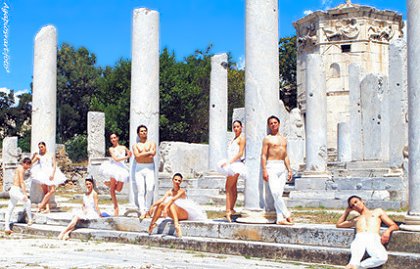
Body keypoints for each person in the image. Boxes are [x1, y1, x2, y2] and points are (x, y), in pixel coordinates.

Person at [336, 195, 399, 269]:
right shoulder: (356, 219)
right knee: (354, 260)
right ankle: (353, 265)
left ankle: (358, 267)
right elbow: (339, 224)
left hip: (373, 238)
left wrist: (387, 232)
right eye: (352, 206)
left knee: (381, 258)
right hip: (359, 238)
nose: (355, 205)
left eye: (356, 202)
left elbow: (394, 225)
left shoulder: (377, 212)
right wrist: (347, 211)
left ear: (362, 201)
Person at [148, 173, 207, 238]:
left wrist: (165, 209)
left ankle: (177, 225)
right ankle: (152, 225)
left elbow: (173, 200)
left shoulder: (182, 191)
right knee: (161, 205)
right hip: (174, 212)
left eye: (179, 181)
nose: (177, 182)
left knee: (171, 204)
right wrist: (152, 206)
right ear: (172, 180)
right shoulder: (169, 192)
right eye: (175, 180)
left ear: (181, 182)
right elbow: (162, 199)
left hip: (185, 213)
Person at [261, 115, 294, 225]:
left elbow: (285, 156)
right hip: (271, 166)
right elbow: (263, 155)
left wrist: (289, 170)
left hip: (281, 167)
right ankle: (287, 214)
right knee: (275, 192)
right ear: (269, 125)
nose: (273, 124)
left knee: (278, 194)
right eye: (271, 123)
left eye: (275, 122)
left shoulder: (284, 139)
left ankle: (280, 219)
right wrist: (264, 169)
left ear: (279, 124)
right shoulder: (267, 139)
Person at [217, 120, 246, 222]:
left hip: (235, 164)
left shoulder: (242, 138)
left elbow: (240, 153)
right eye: (234, 127)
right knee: (232, 187)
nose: (236, 128)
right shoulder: (233, 139)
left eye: (238, 126)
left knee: (228, 187)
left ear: (241, 127)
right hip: (231, 163)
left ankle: (228, 211)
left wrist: (229, 162)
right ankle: (231, 209)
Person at [101, 133, 132, 216]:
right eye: (111, 138)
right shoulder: (111, 149)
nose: (113, 139)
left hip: (122, 168)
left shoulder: (123, 147)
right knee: (112, 190)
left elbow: (130, 154)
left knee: (118, 189)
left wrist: (129, 155)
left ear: (117, 138)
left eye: (114, 138)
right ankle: (116, 207)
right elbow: (115, 159)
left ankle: (109, 184)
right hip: (114, 167)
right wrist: (126, 157)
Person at [31, 142, 67, 213]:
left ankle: (40, 206)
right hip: (42, 173)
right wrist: (33, 156)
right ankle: (47, 209)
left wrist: (53, 174)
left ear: (45, 146)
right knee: (46, 192)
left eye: (42, 147)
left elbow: (54, 165)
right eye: (39, 147)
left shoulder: (51, 154)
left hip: (50, 173)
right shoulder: (38, 156)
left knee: (52, 190)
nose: (41, 148)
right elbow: (30, 163)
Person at [4, 157, 33, 235]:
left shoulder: (19, 168)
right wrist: (25, 193)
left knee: (10, 209)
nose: (28, 167)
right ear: (25, 163)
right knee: (28, 201)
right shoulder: (21, 169)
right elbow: (21, 182)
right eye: (28, 165)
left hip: (13, 190)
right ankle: (30, 219)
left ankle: (7, 228)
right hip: (15, 190)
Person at [132, 125, 157, 219]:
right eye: (141, 131)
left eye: (145, 131)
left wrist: (142, 154)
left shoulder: (152, 143)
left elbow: (153, 154)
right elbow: (137, 156)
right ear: (138, 133)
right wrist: (147, 153)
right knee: (141, 190)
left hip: (150, 168)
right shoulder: (135, 145)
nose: (143, 133)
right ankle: (142, 211)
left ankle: (147, 210)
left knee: (150, 188)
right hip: (139, 168)